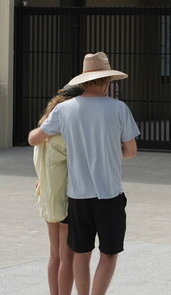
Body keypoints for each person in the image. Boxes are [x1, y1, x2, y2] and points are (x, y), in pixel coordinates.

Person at [29, 52, 139, 295]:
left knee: (80, 253)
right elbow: (131, 151)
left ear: (83, 81)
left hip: (77, 195)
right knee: (109, 253)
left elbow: (34, 139)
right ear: (107, 81)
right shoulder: (119, 108)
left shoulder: (64, 110)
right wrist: (110, 152)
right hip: (109, 193)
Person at [34, 83, 82, 295]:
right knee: (67, 256)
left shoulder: (43, 132)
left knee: (54, 255)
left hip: (46, 196)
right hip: (66, 196)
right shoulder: (65, 135)